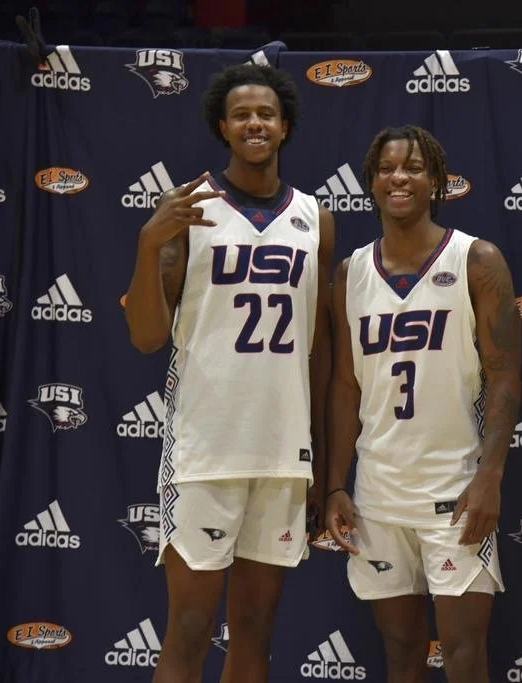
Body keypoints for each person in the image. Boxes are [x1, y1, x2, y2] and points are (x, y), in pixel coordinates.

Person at [124, 63, 334, 683]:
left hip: (282, 453)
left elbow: (320, 347)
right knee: (189, 632)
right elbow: (145, 336)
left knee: (255, 636)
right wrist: (148, 242)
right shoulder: (190, 210)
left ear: (285, 126)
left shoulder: (315, 217)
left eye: (266, 113)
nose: (254, 123)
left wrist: (320, 456)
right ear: (223, 126)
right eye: (241, 114)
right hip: (206, 449)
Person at [325, 125, 521, 683]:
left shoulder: (476, 259)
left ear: (436, 182)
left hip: (454, 490)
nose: (399, 178)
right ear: (370, 183)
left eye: (413, 168)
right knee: (401, 653)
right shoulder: (350, 274)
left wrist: (490, 476)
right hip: (378, 494)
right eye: (387, 169)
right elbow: (345, 386)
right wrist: (335, 484)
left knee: (464, 655)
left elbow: (505, 376)